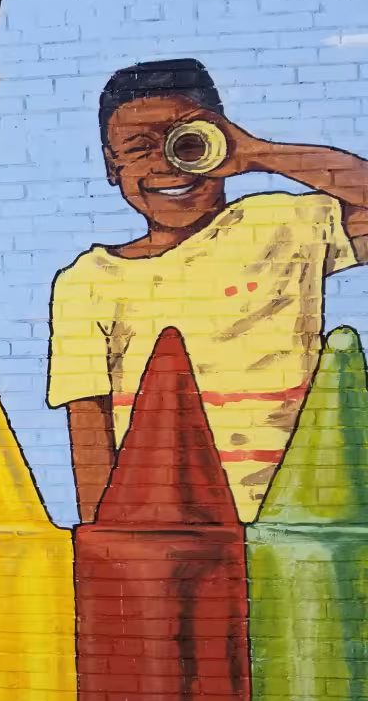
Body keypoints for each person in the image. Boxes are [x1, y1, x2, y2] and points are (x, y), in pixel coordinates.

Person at [49, 58, 368, 524]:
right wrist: (108, 547)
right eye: (139, 148)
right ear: (110, 165)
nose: (168, 163)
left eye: (188, 141)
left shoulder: (281, 226)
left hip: (304, 517)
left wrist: (259, 153)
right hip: (171, 529)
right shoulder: (88, 281)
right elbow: (90, 428)